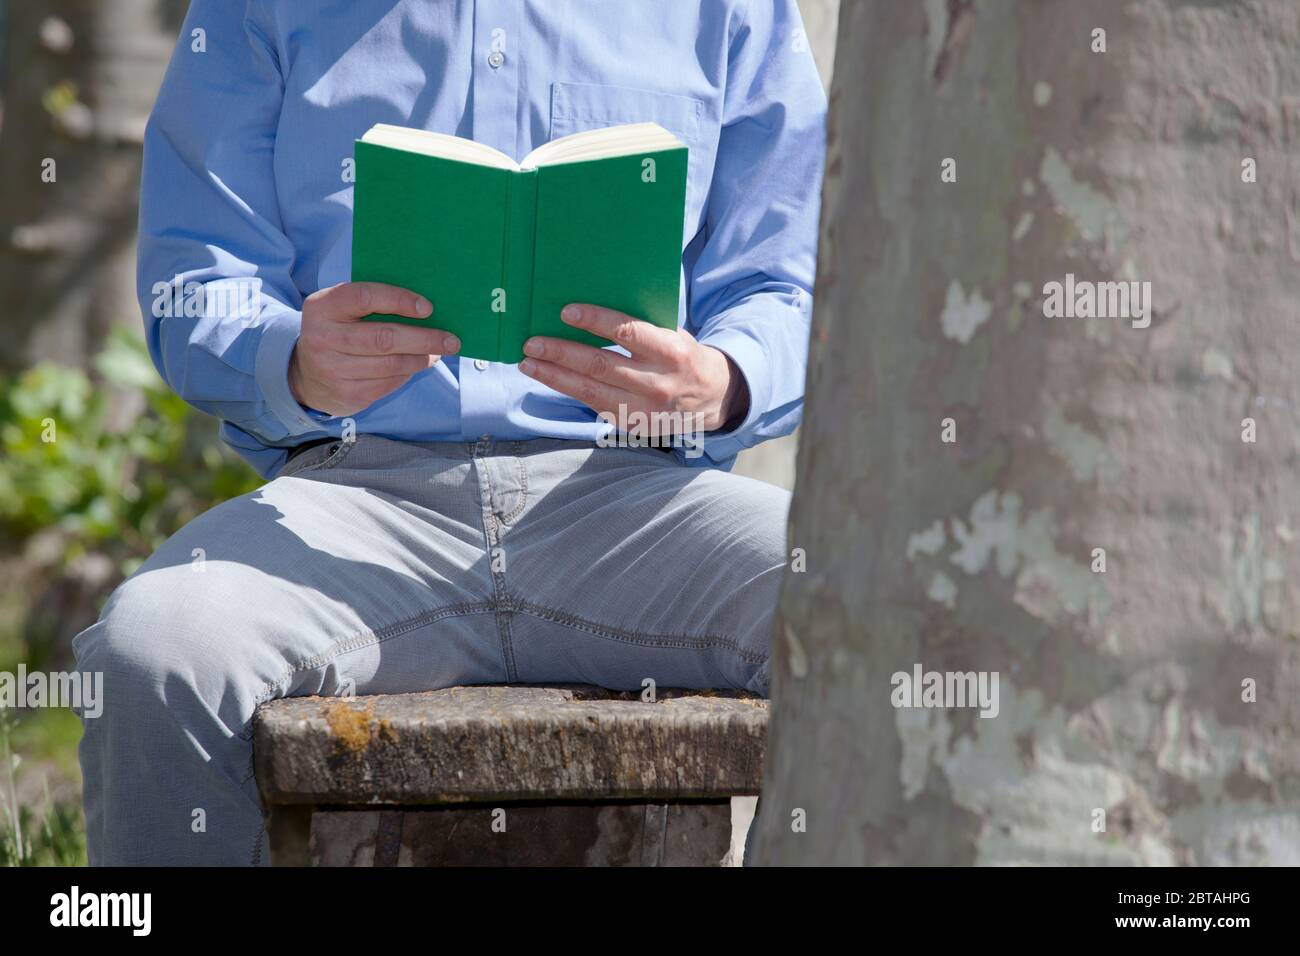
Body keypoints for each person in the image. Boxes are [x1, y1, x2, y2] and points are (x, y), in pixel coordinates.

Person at [73, 0, 826, 865]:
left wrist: (721, 382)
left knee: (863, 604)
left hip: (632, 502)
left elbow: (792, 285)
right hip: (347, 504)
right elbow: (195, 274)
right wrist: (290, 359)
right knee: (151, 653)